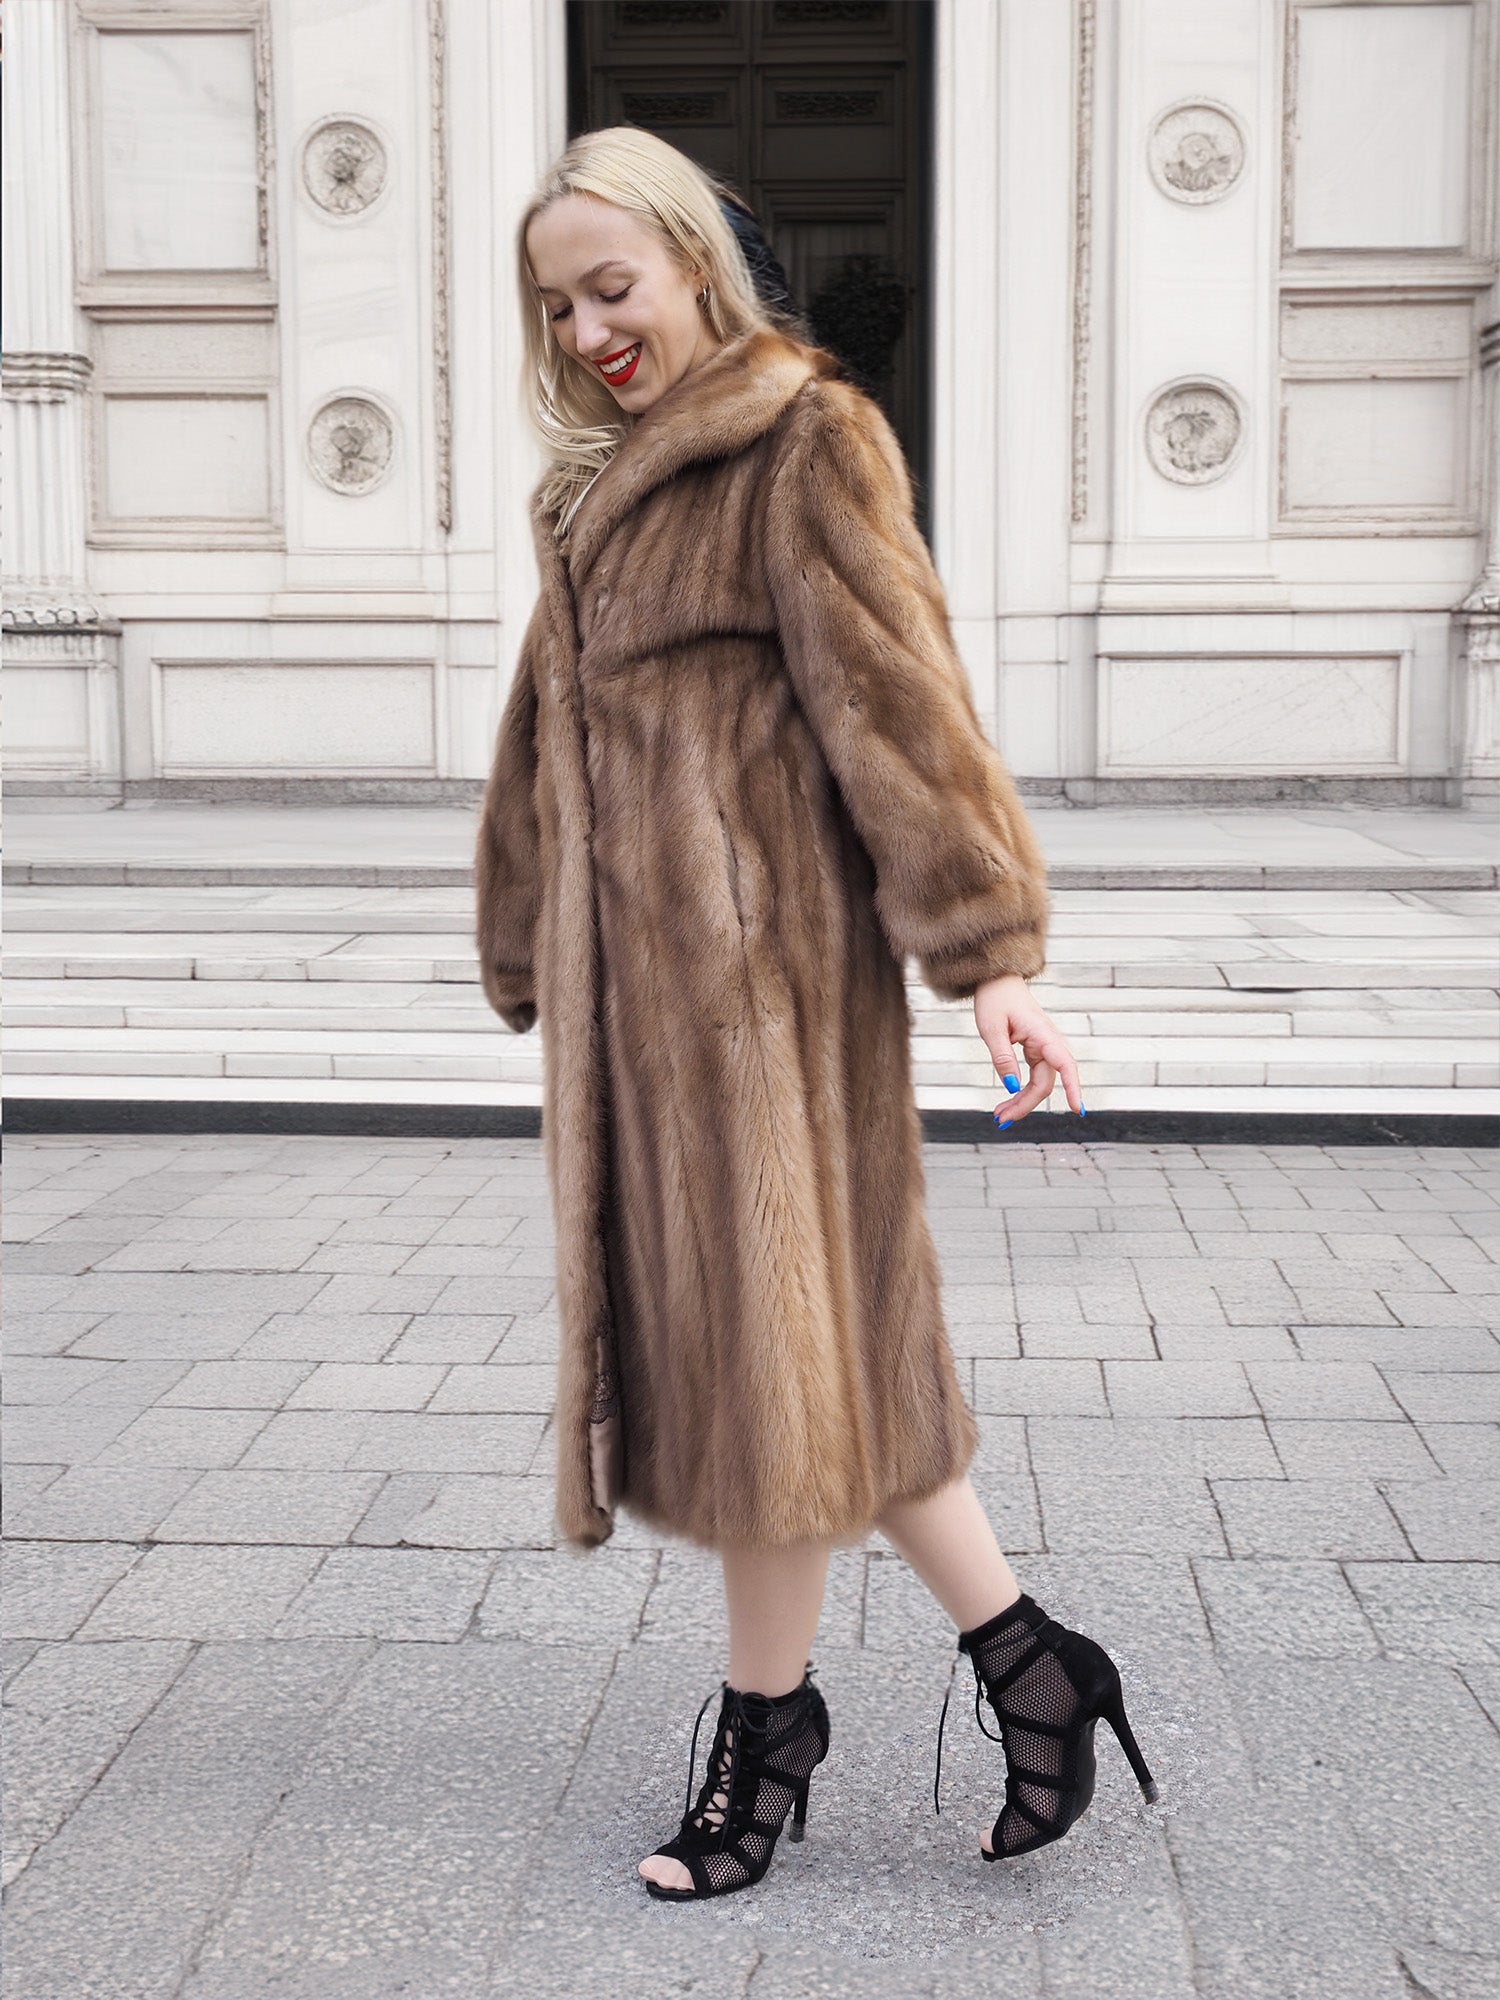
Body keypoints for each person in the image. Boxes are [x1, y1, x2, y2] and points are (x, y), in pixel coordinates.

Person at [477, 125, 1160, 1904]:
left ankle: (766, 1749)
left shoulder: (801, 442)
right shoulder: (602, 490)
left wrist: (992, 948)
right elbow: (545, 736)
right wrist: (524, 923)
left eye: (609, 286)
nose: (585, 329)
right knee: (803, 1388)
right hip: (652, 1025)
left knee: (773, 1394)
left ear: (696, 261)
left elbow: (901, 704)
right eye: (557, 303)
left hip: (769, 1013)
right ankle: (1030, 1666)